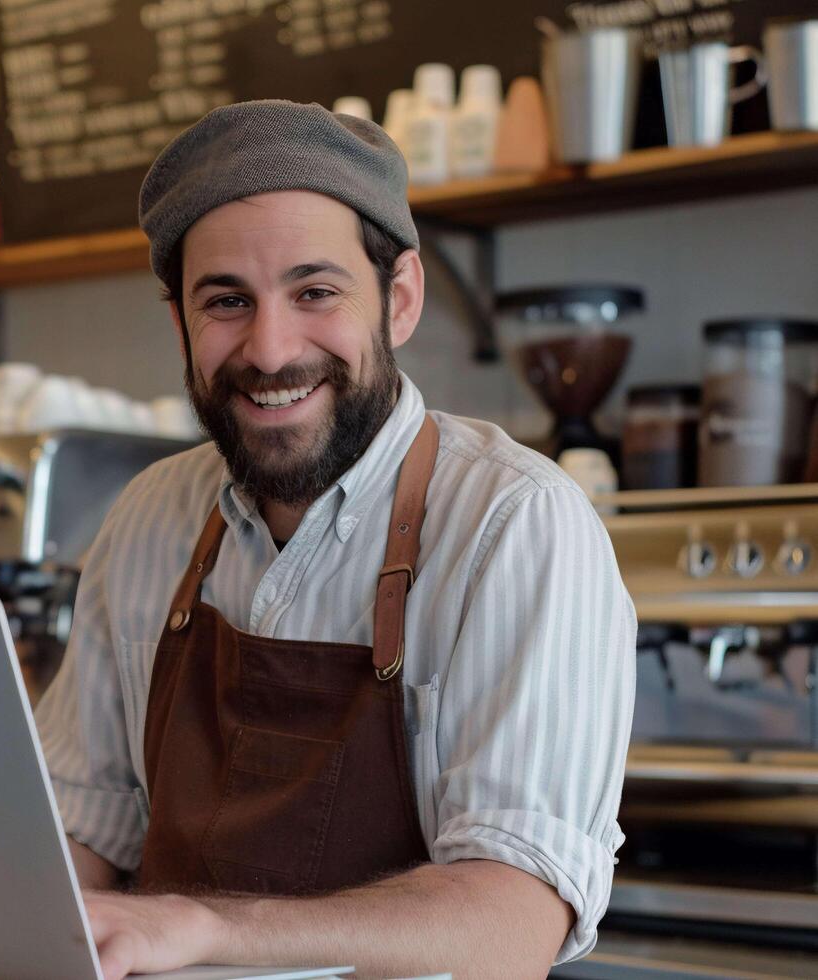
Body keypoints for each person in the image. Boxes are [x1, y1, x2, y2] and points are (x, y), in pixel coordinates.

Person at [33, 100, 636, 979]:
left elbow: (507, 926)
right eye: (227, 301)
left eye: (315, 292)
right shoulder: (149, 520)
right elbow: (79, 841)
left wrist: (205, 931)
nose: (271, 350)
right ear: (181, 325)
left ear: (399, 300)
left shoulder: (518, 526)